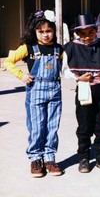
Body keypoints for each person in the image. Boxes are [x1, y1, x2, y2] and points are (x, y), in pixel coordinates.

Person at [4, 10, 64, 178]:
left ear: (54, 30)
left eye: (49, 31)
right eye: (41, 31)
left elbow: (69, 67)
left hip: (55, 93)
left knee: (52, 126)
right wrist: (21, 75)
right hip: (36, 92)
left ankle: (50, 158)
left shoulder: (59, 49)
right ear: (35, 31)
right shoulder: (28, 48)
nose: (45, 35)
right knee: (37, 127)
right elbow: (9, 62)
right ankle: (36, 158)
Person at [62, 14, 100, 173]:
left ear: (96, 31)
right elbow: (65, 70)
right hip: (84, 90)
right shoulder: (71, 47)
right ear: (77, 34)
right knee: (84, 125)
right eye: (83, 33)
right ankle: (84, 158)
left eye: (90, 32)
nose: (87, 37)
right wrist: (78, 77)